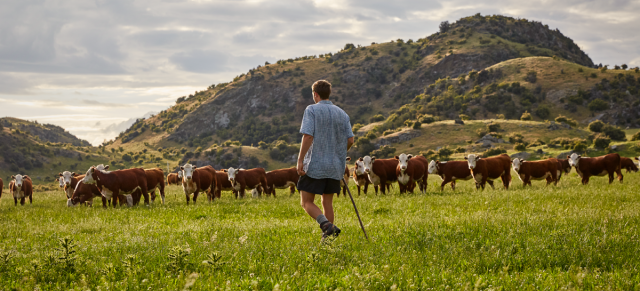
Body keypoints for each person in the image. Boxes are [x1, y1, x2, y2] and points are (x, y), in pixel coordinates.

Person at [297, 80, 354, 242]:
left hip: (315, 165)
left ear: (315, 94)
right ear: (329, 94)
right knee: (326, 202)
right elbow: (350, 140)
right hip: (335, 166)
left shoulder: (312, 110)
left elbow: (308, 136)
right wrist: (339, 154)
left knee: (306, 201)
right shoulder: (342, 114)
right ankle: (328, 241)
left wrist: (300, 160)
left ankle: (326, 225)